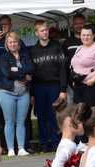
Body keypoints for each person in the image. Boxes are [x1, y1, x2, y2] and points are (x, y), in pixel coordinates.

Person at [0, 15, 28, 150]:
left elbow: (27, 61)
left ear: (11, 25)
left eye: (7, 24)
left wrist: (24, 75)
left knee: (21, 117)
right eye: (2, 24)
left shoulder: (18, 41)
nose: (4, 27)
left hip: (19, 83)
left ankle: (21, 145)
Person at [30, 20, 68, 153]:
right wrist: (32, 94)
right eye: (41, 30)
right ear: (36, 33)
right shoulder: (32, 51)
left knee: (55, 115)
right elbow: (32, 74)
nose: (44, 32)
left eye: (46, 30)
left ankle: (56, 142)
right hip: (39, 87)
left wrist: (63, 89)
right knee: (41, 116)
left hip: (54, 86)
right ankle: (44, 143)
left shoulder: (57, 46)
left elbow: (63, 69)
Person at [0, 32, 34, 157]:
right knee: (9, 121)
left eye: (15, 42)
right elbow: (7, 73)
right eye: (10, 42)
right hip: (7, 93)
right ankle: (10, 149)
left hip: (23, 93)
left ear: (18, 43)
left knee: (21, 121)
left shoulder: (25, 55)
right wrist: (24, 74)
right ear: (7, 45)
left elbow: (31, 69)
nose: (13, 44)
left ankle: (21, 148)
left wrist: (17, 71)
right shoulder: (4, 57)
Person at [70, 24, 95, 107]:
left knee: (91, 113)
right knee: (78, 113)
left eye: (88, 35)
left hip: (91, 86)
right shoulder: (79, 48)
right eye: (83, 35)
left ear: (93, 36)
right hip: (78, 85)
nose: (85, 37)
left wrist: (93, 80)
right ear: (80, 36)